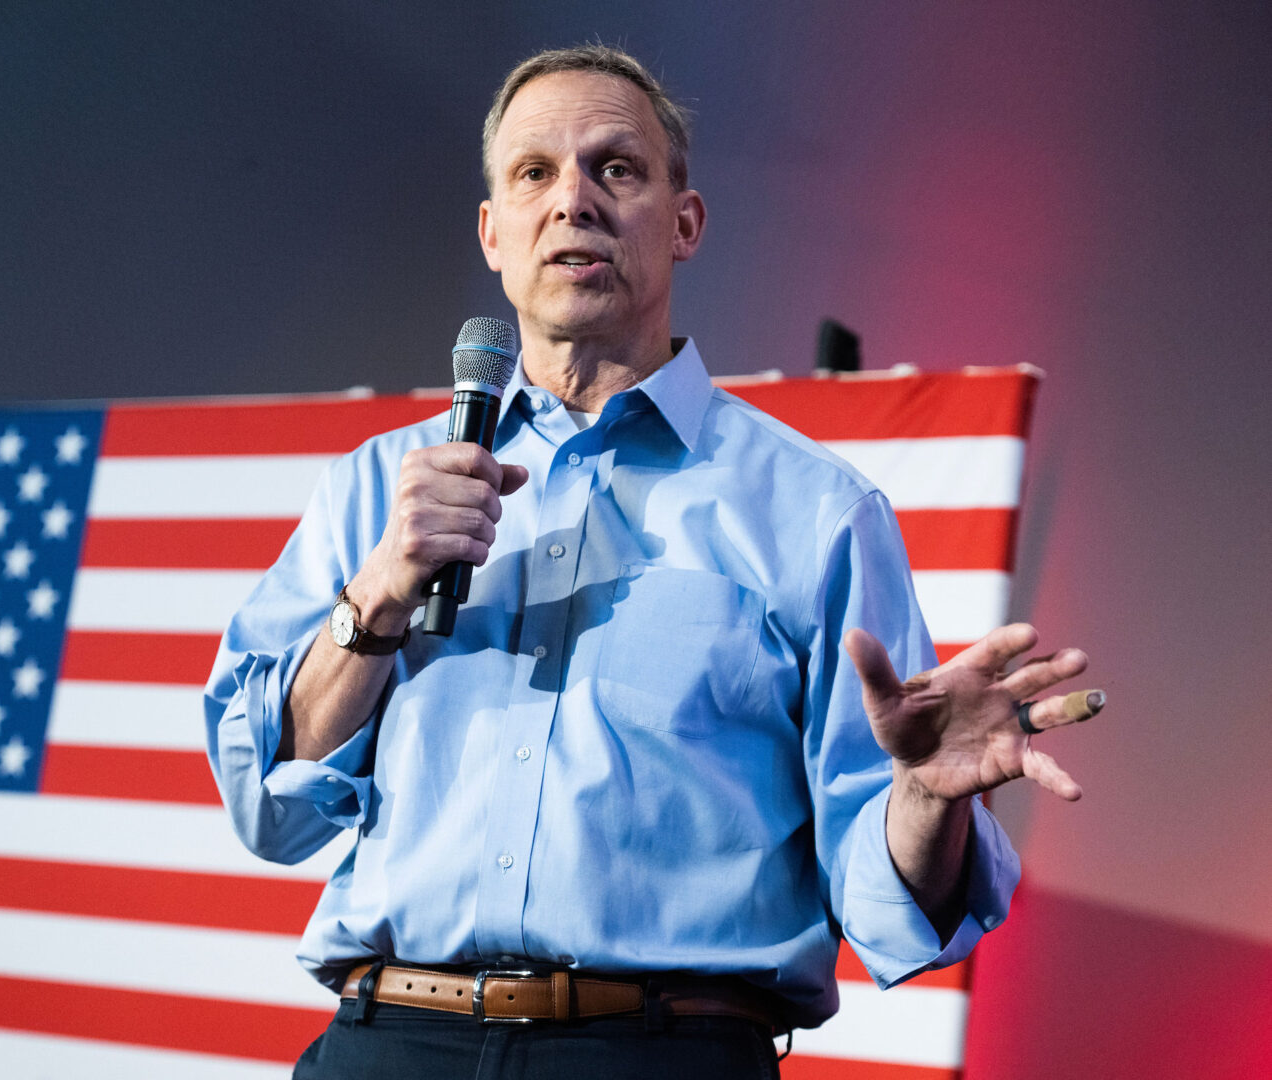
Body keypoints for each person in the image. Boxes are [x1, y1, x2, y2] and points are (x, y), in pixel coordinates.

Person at [204, 43, 1103, 1078]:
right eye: (533, 173)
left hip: (661, 1052)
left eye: (615, 168)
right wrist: (377, 597)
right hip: (389, 1039)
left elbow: (882, 897)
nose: (573, 200)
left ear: (684, 224)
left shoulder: (818, 512)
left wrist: (927, 803)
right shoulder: (379, 488)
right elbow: (266, 809)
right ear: (494, 234)